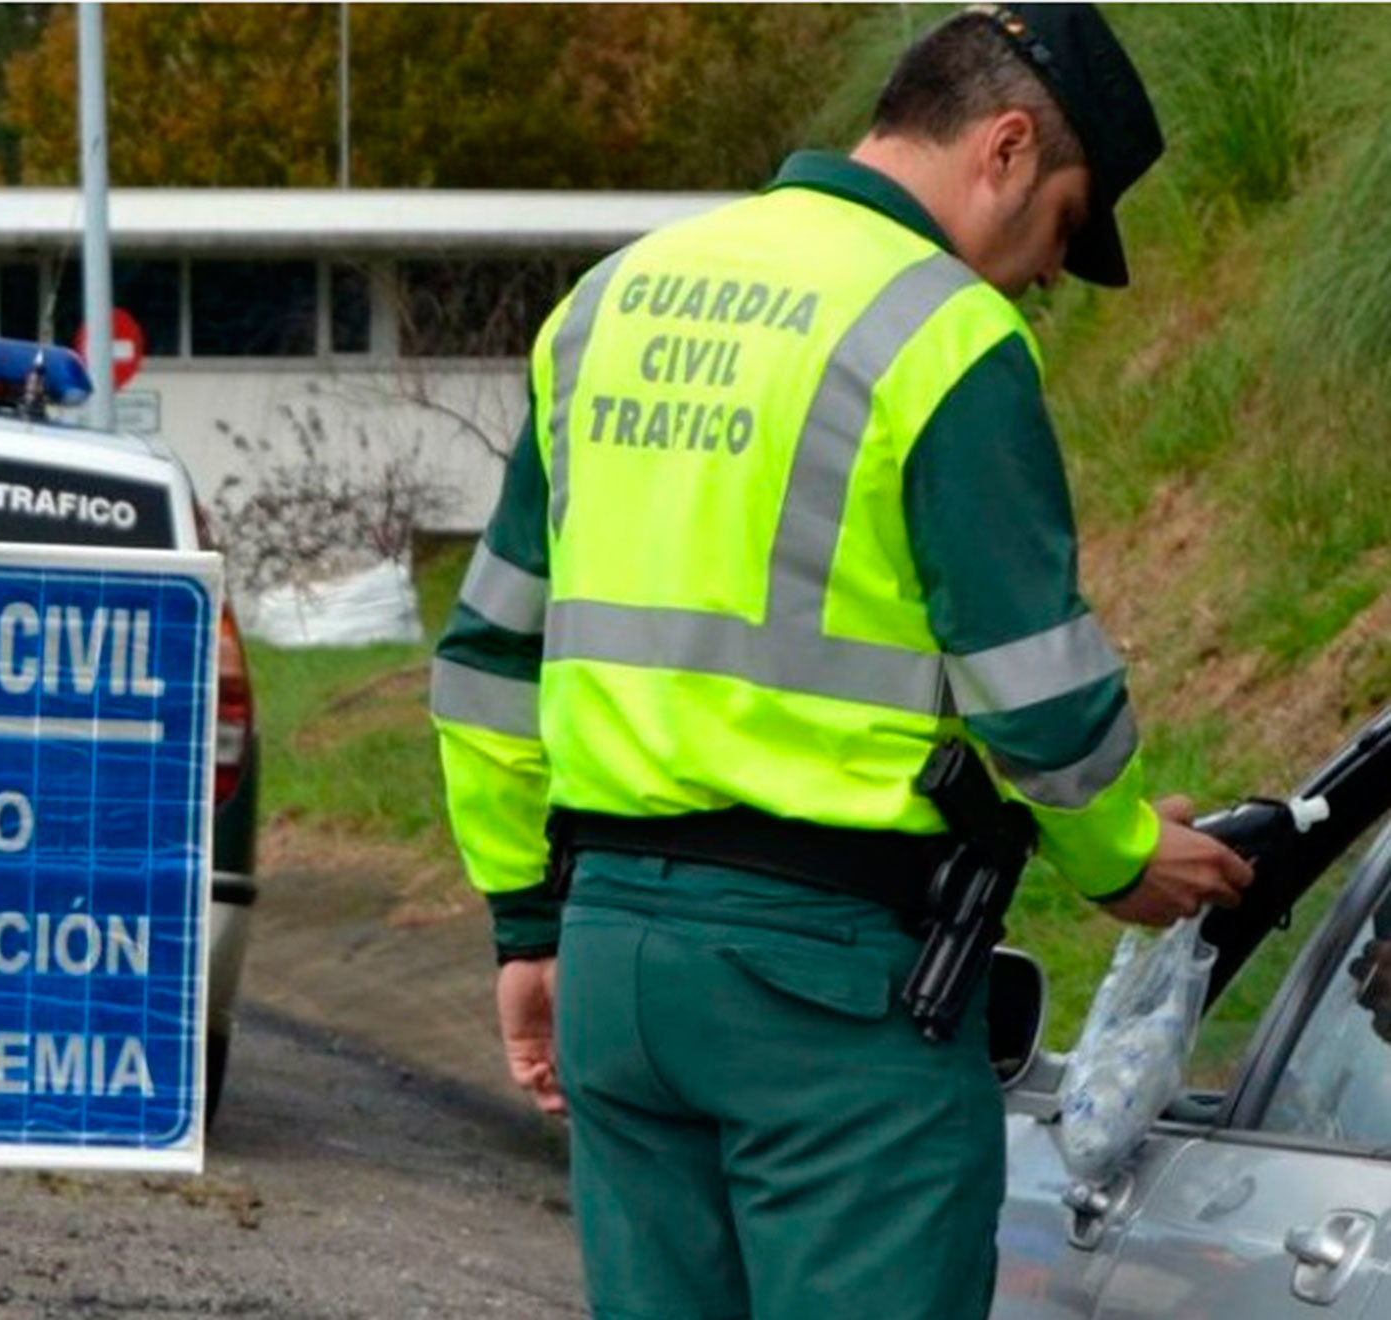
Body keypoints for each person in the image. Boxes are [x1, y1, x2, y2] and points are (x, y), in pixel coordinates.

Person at [428, 6, 1256, 1318]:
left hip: (614, 971)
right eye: (1061, 228)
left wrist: (527, 926)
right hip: (823, 998)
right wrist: (1119, 855)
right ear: (1005, 145)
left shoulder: (609, 303)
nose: (1041, 279)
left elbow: (485, 659)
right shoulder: (946, 337)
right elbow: (1034, 683)